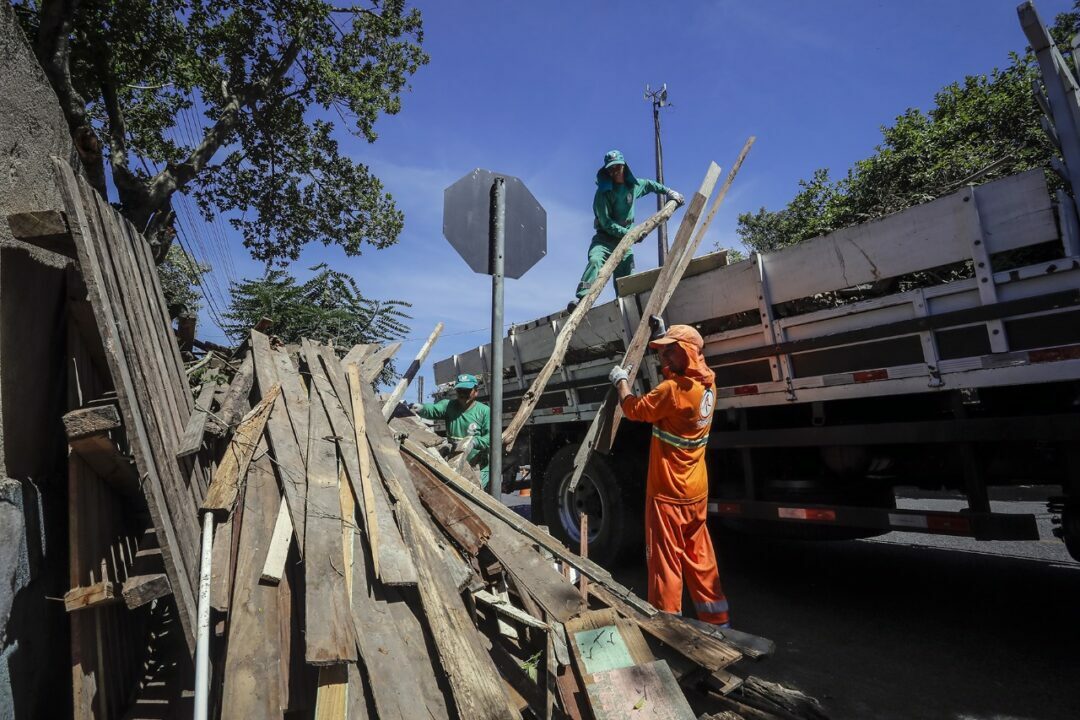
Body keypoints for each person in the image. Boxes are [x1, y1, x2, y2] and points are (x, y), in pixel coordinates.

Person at [608, 324, 731, 627]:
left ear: (687, 353)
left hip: (668, 493)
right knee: (699, 556)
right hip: (695, 490)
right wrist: (668, 338)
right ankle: (718, 623)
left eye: (670, 349)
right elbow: (679, 379)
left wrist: (621, 382)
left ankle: (668, 628)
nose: (663, 354)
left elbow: (635, 409)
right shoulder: (709, 387)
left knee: (666, 563)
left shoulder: (672, 392)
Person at [570, 149, 684, 311]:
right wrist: (630, 234)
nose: (615, 172)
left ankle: (629, 309)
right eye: (611, 169)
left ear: (624, 166)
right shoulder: (603, 194)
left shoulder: (633, 186)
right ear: (607, 171)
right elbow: (606, 223)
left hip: (625, 244)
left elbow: (650, 185)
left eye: (617, 167)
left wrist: (668, 192)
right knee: (595, 261)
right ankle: (581, 300)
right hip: (604, 241)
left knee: (627, 280)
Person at [410, 374, 492, 488]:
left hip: (477, 467)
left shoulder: (484, 411)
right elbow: (433, 410)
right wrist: (421, 408)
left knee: (478, 500)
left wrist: (474, 442)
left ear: (476, 391)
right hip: (456, 464)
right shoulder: (448, 405)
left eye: (467, 391)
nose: (463, 394)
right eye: (460, 390)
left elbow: (491, 438)